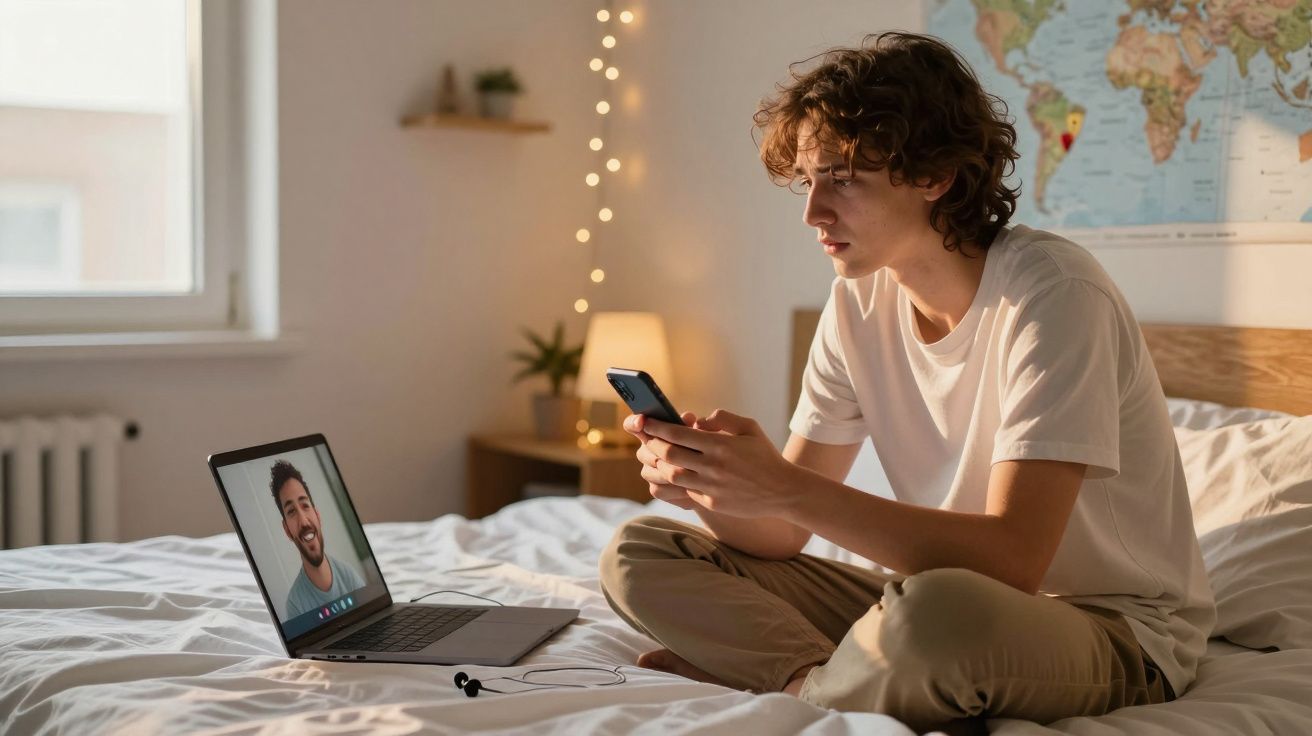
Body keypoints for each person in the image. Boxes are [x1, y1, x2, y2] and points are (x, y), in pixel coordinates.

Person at [598, 31, 1214, 733]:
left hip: (1107, 628)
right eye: (809, 181)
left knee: (932, 617)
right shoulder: (857, 303)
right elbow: (782, 534)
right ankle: (813, 680)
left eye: (843, 178)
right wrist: (716, 485)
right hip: (937, 597)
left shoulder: (1056, 293)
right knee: (639, 552)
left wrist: (785, 487)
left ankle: (807, 678)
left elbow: (1015, 560)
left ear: (935, 175)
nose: (813, 212)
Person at [270, 459, 364, 618]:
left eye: (305, 505)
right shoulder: (295, 605)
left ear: (318, 516)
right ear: (287, 530)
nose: (304, 521)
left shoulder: (349, 575)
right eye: (291, 511)